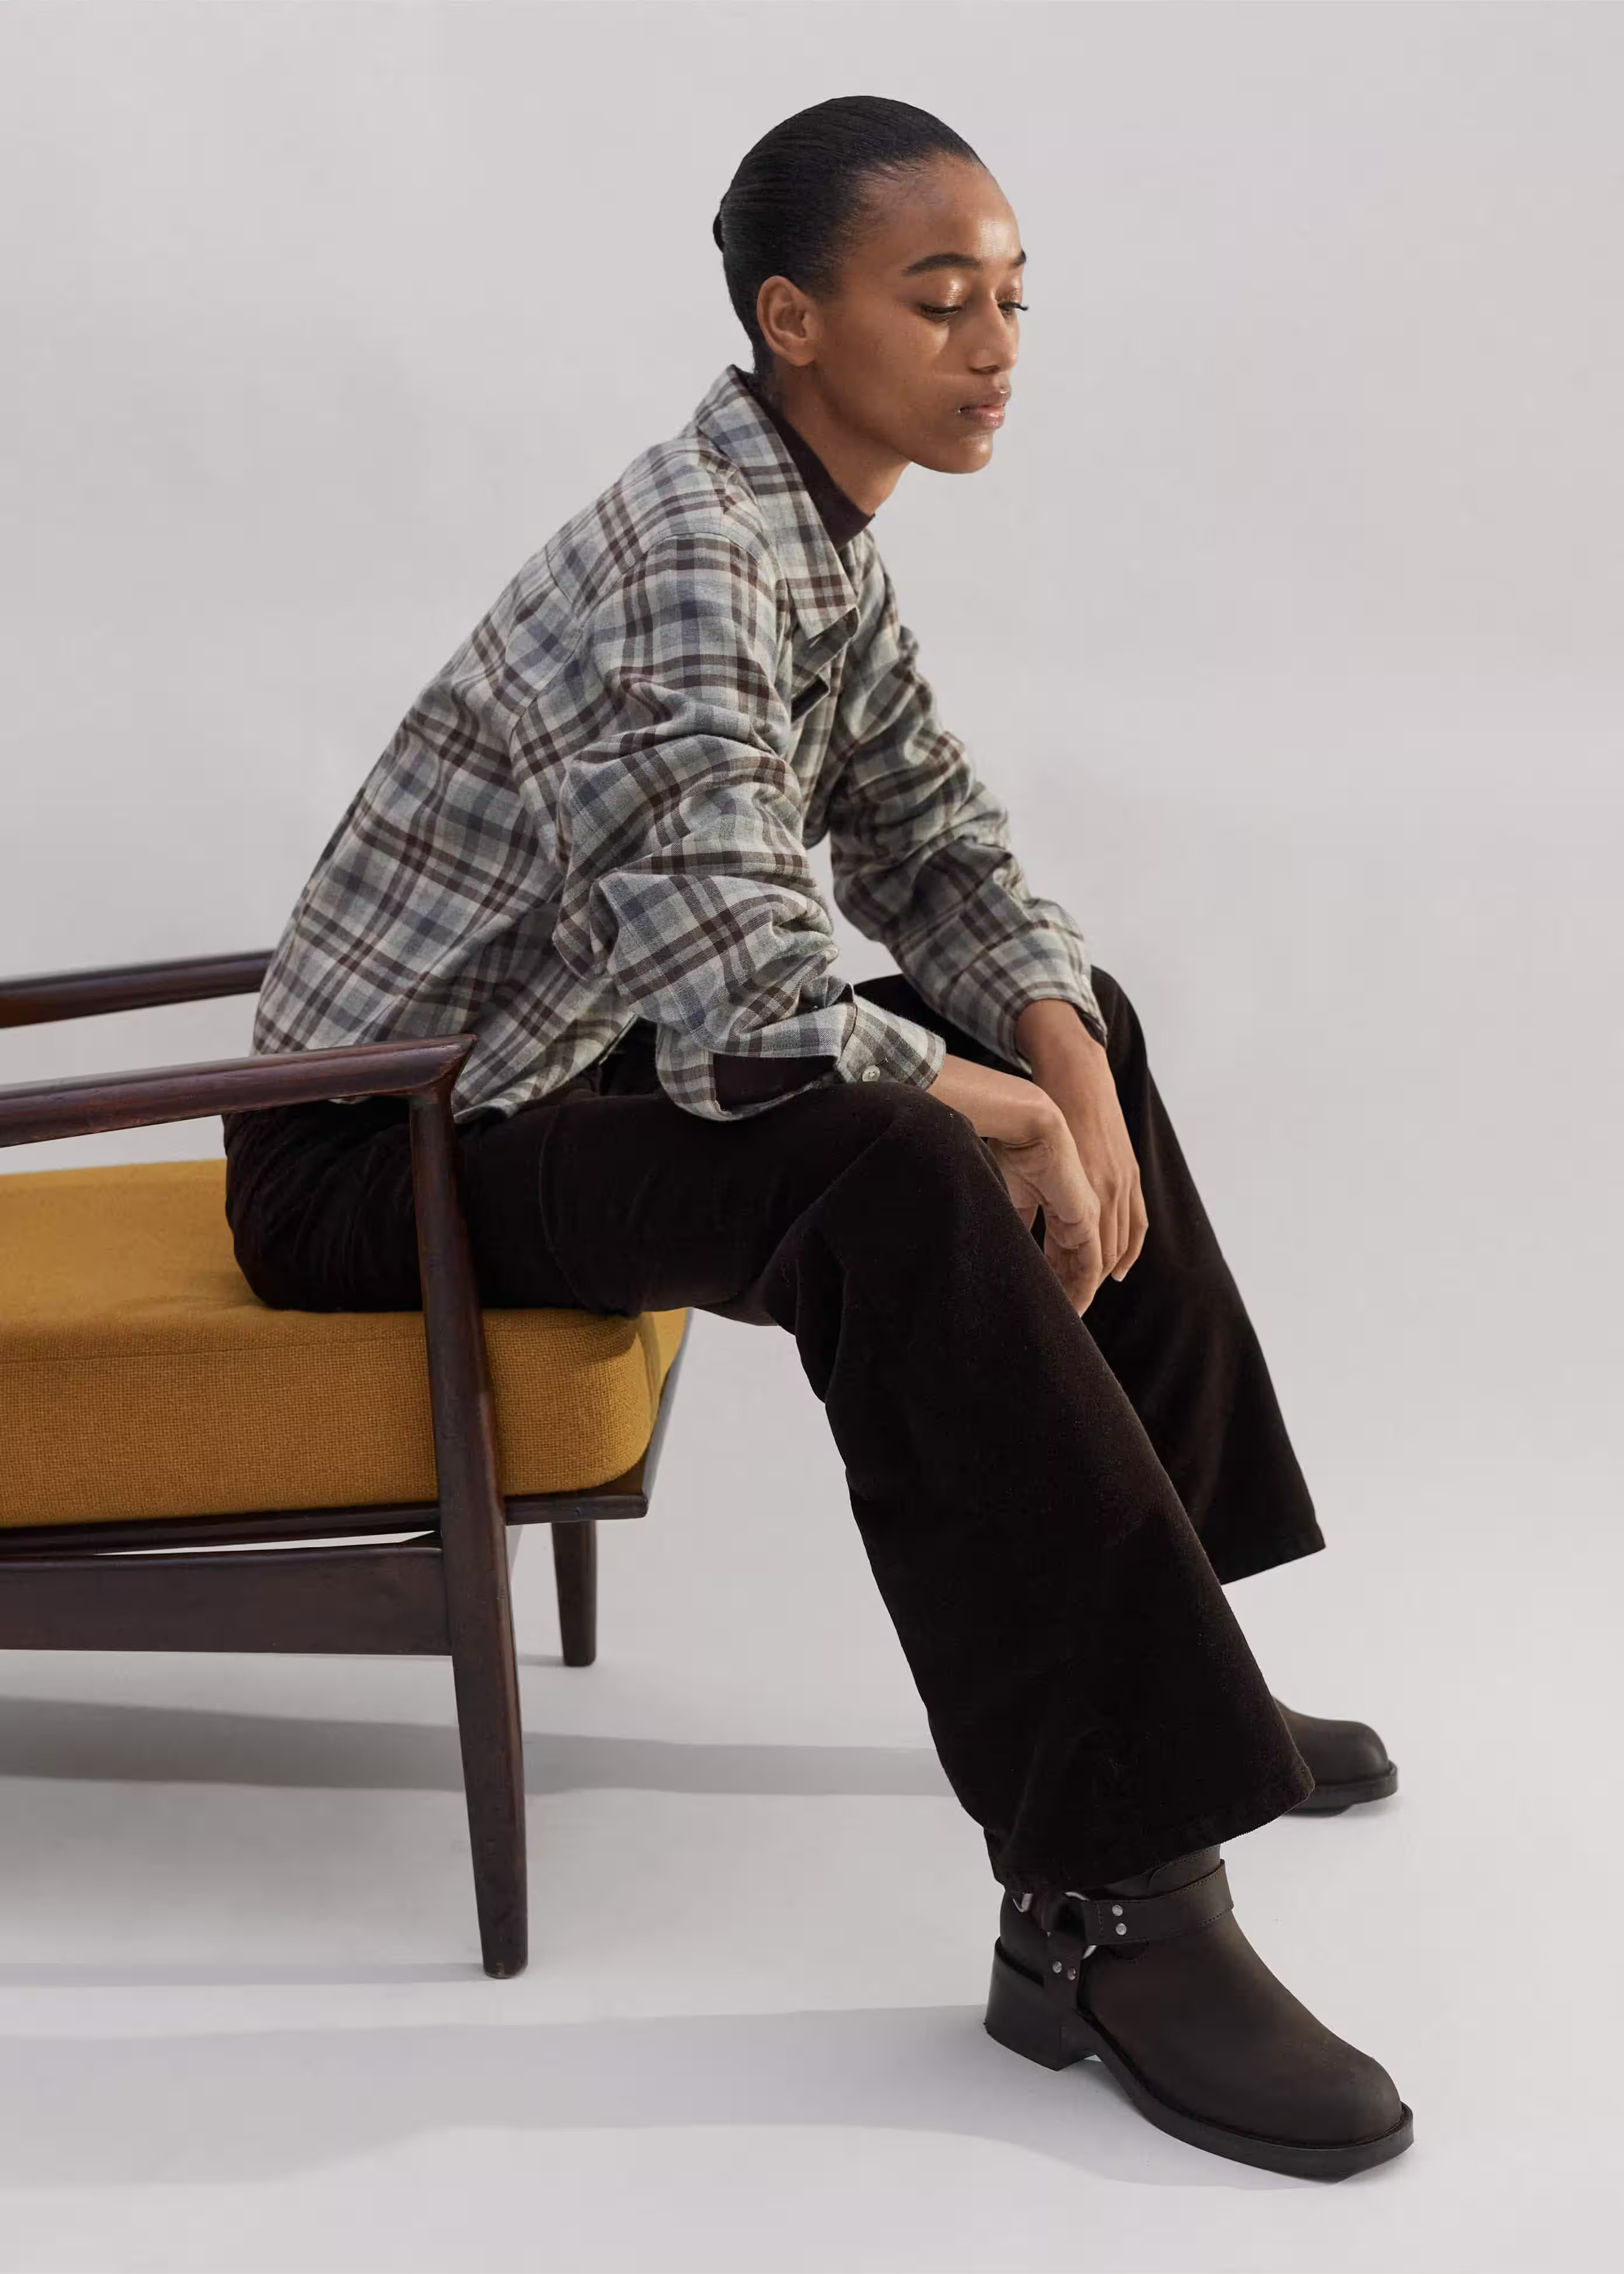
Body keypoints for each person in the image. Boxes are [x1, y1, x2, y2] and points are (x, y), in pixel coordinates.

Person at [223, 96, 1412, 2179]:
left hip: (552, 1062)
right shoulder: (692, 555)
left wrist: (1058, 1045)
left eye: (1012, 298)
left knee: (1063, 1016)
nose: (994, 346)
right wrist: (1000, 1108)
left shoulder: (806, 530)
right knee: (891, 1162)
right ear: (792, 319)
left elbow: (931, 840)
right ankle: (1111, 1904)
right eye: (937, 300)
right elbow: (756, 1006)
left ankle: (1180, 1655)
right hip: (365, 1153)